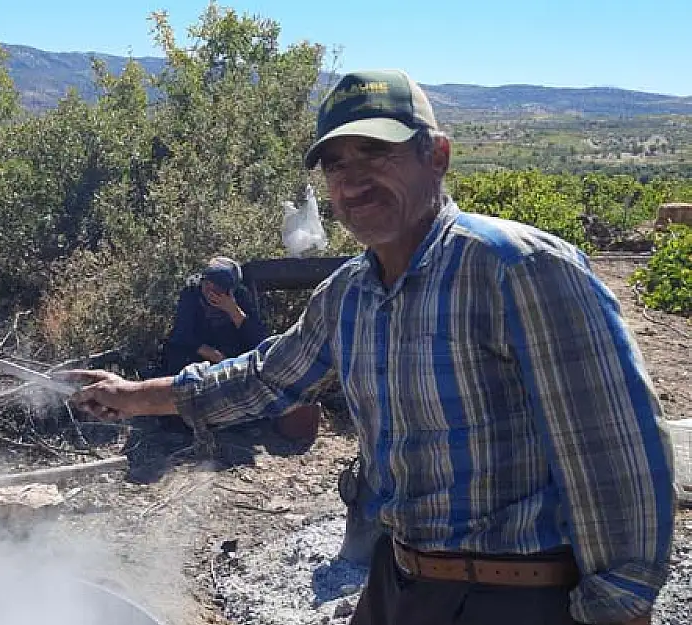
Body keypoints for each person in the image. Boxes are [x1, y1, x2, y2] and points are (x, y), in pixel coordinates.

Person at [63, 69, 676, 625]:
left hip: (519, 597)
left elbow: (616, 452)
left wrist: (621, 605)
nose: (353, 179)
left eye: (376, 152)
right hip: (401, 579)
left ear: (436, 156)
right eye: (335, 164)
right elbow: (264, 378)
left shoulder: (518, 269)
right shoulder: (349, 294)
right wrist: (135, 396)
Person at [161, 256, 268, 376]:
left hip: (234, 356)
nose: (210, 291)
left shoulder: (241, 296)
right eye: (207, 284)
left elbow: (259, 340)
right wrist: (221, 360)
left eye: (217, 288)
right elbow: (183, 335)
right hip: (201, 359)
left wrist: (233, 310)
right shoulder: (191, 294)